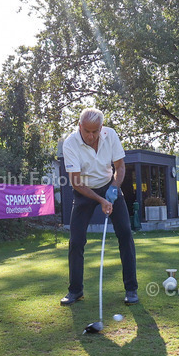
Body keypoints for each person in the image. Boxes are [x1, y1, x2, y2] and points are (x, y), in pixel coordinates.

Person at [60, 108, 139, 306]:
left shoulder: (110, 135)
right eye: (87, 130)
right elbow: (76, 183)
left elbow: (120, 167)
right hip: (84, 191)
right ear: (80, 126)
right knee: (76, 241)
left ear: (101, 128)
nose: (91, 135)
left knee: (125, 234)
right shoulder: (70, 144)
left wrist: (114, 187)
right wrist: (101, 200)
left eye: (95, 131)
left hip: (109, 187)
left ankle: (131, 289)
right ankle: (75, 291)